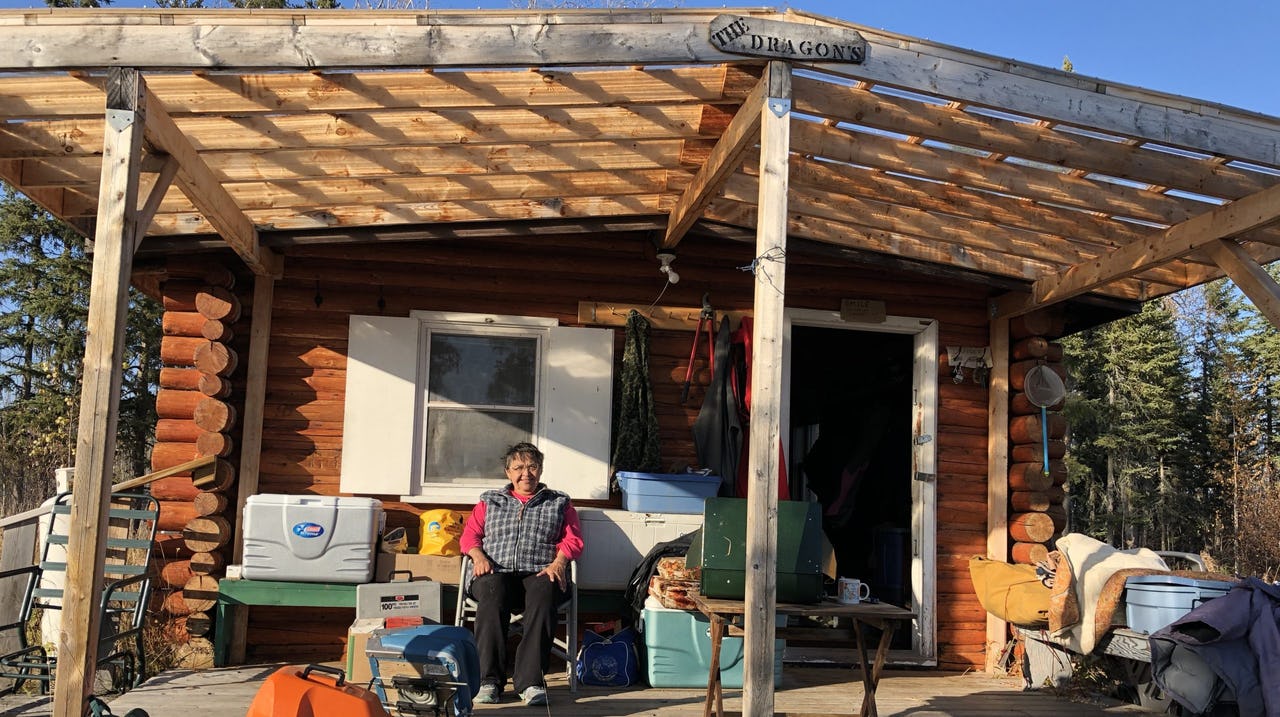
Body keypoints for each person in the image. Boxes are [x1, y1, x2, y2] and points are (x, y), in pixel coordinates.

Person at [459, 442, 583, 706]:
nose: (526, 473)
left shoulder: (559, 502)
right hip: (495, 571)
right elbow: (470, 535)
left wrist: (559, 563)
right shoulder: (490, 501)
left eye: (532, 467)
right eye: (518, 467)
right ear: (508, 472)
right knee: (492, 592)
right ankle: (488, 680)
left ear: (540, 470)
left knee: (546, 590)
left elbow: (572, 540)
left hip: (539, 571)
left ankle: (530, 682)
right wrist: (478, 556)